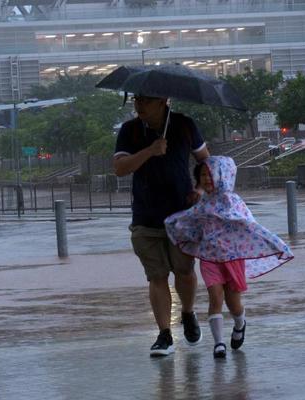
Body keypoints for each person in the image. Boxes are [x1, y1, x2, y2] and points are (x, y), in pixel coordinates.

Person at [165, 156, 294, 358]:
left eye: (211, 174)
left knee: (234, 303)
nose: (207, 179)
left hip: (233, 260)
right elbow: (191, 224)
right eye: (202, 175)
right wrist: (175, 225)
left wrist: (274, 243)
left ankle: (240, 322)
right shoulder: (201, 205)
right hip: (209, 259)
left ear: (222, 176)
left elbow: (251, 226)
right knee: (215, 298)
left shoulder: (234, 203)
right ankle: (218, 343)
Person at [113, 95, 209, 356]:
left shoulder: (184, 125)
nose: (139, 105)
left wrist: (200, 189)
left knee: (185, 271)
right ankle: (164, 334)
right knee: (156, 276)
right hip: (146, 216)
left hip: (182, 216)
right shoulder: (130, 130)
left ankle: (188, 313)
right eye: (136, 99)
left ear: (163, 101)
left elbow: (206, 161)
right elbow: (120, 168)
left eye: (146, 100)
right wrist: (150, 151)